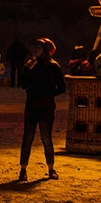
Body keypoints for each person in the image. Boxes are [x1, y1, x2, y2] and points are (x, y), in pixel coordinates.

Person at [18, 38, 66, 182]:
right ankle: (23, 169)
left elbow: (62, 87)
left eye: (38, 48)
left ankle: (51, 168)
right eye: (35, 48)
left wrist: (49, 94)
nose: (35, 51)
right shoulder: (32, 65)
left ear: (45, 50)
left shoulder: (53, 66)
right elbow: (23, 85)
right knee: (28, 137)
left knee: (46, 138)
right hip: (32, 105)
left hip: (46, 106)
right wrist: (26, 70)